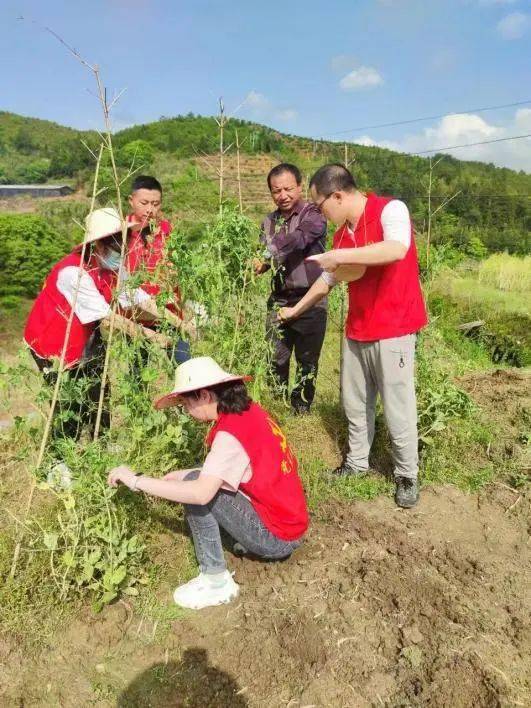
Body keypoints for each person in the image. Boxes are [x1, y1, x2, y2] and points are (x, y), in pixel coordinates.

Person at [279, 164, 428, 508]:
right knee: (355, 403)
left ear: (339, 195)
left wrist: (340, 256)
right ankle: (357, 463)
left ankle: (407, 474)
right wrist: (296, 310)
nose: (320, 213)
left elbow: (396, 249)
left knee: (397, 406)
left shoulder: (390, 210)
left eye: (321, 206)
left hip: (394, 328)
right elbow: (327, 281)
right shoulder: (340, 236)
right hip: (358, 329)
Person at [107, 356, 308, 609]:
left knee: (196, 487)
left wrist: (137, 480)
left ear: (203, 395)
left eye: (185, 403)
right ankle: (237, 545)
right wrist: (187, 472)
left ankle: (215, 580)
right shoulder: (248, 412)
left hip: (277, 537)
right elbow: (238, 464)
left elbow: (201, 493)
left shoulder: (229, 435)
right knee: (194, 477)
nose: (185, 411)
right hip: (292, 522)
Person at [24, 207, 171, 441]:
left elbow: (135, 296)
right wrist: (156, 338)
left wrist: (176, 321)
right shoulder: (73, 272)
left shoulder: (111, 264)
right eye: (115, 246)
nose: (121, 252)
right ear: (99, 245)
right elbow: (108, 319)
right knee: (69, 400)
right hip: (53, 340)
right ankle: (60, 461)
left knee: (100, 391)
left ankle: (101, 444)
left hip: (87, 334)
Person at [253, 163, 327, 415]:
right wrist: (257, 265)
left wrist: (268, 252)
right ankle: (276, 406)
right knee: (275, 358)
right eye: (276, 191)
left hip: (311, 299)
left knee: (307, 360)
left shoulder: (313, 214)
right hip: (279, 299)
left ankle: (301, 409)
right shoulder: (268, 222)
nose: (283, 195)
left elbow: (300, 238)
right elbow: (264, 260)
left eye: (288, 188)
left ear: (299, 186)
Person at [124, 175, 194, 364]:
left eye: (155, 204)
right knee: (138, 372)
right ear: (132, 201)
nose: (150, 209)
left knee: (184, 365)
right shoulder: (121, 233)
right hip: (138, 317)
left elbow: (179, 268)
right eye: (144, 203)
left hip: (170, 313)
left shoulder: (166, 229)